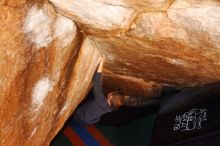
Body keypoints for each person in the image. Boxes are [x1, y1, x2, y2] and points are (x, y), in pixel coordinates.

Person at [74, 55, 161, 125]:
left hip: (80, 114)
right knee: (87, 115)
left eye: (112, 93)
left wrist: (101, 61)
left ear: (110, 97)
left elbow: (97, 82)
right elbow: (121, 101)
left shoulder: (100, 99)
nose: (110, 92)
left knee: (78, 112)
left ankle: (75, 115)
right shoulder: (112, 108)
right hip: (88, 121)